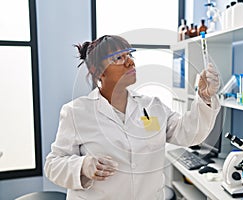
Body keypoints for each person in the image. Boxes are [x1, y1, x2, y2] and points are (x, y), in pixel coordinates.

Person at [44, 35, 221, 200]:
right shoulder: (76, 112)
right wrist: (82, 166)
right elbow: (53, 165)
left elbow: (190, 134)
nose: (130, 63)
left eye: (129, 56)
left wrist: (204, 97)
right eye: (118, 58)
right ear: (97, 71)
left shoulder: (153, 106)